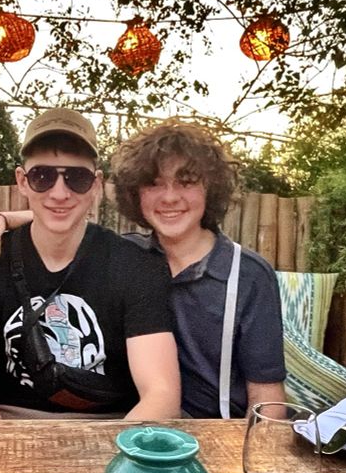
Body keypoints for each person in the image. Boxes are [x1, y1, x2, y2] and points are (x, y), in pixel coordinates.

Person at [0, 108, 182, 420]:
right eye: (42, 177)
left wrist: (115, 462)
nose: (59, 193)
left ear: (97, 184)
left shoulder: (135, 267)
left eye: (77, 178)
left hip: (111, 429)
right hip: (8, 424)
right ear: (22, 181)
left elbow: (161, 392)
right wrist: (3, 457)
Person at [112, 120, 286, 418]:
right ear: (135, 194)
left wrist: (249, 458)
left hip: (217, 439)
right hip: (136, 432)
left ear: (211, 188)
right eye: (154, 183)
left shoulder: (248, 275)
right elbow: (61, 228)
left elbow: (267, 398)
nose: (169, 197)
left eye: (186, 181)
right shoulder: (122, 256)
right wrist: (4, 219)